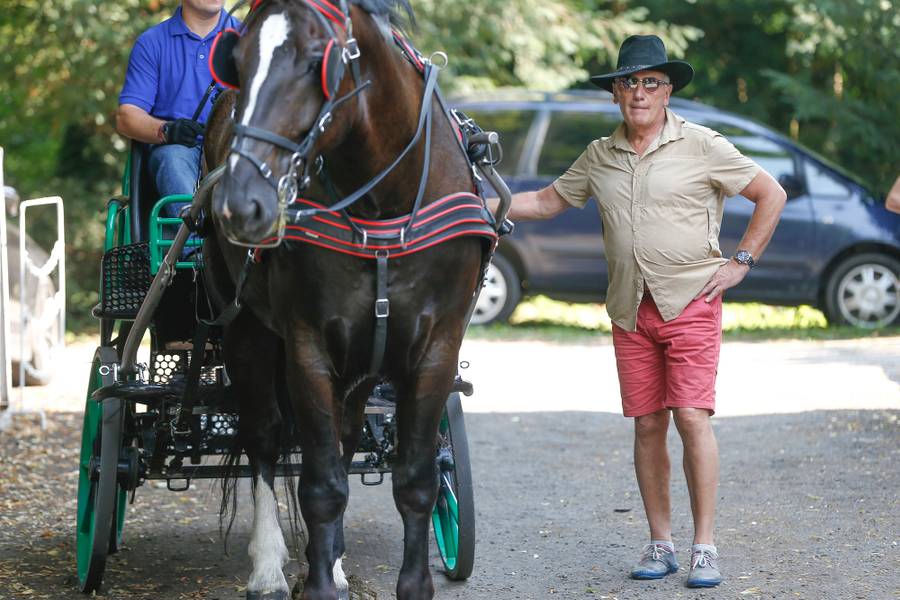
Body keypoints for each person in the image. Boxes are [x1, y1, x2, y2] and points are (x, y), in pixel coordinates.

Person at [498, 35, 786, 587]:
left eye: (650, 81)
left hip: (692, 302)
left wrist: (742, 261)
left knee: (691, 418)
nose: (639, 92)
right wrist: (473, 203)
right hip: (630, 309)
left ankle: (705, 547)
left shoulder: (703, 145)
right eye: (628, 82)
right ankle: (661, 544)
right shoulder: (599, 156)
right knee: (648, 424)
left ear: (667, 90)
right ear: (615, 94)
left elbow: (770, 193)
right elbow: (544, 202)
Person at [116, 0, 240, 211]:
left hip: (236, 146)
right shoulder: (152, 43)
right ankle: (192, 243)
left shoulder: (248, 39)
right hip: (179, 150)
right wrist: (167, 131)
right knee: (173, 159)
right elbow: (126, 117)